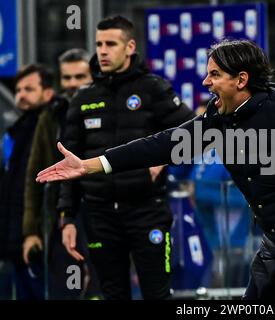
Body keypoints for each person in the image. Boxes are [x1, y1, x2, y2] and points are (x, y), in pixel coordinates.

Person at [36, 39, 275, 300]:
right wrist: (92, 165)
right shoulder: (219, 117)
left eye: (214, 74)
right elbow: (164, 143)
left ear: (241, 80)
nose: (206, 82)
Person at [47, 16, 195, 300]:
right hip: (99, 213)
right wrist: (66, 219)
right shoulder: (82, 97)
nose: (102, 51)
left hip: (146, 209)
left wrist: (160, 162)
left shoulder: (153, 88)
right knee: (112, 294)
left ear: (129, 47)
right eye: (99, 44)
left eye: (110, 44)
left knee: (157, 294)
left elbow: (192, 132)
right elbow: (70, 163)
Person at [22, 48, 98, 299]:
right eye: (67, 78)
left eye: (80, 76)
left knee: (102, 289)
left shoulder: (108, 107)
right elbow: (35, 177)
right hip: (61, 216)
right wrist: (30, 231)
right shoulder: (50, 116)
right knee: (63, 291)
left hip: (103, 212)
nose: (73, 83)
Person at [0, 64, 55, 299]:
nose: (21, 95)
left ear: (48, 93)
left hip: (41, 238)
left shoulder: (53, 128)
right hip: (16, 237)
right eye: (19, 90)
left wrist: (34, 233)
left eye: (29, 89)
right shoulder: (16, 130)